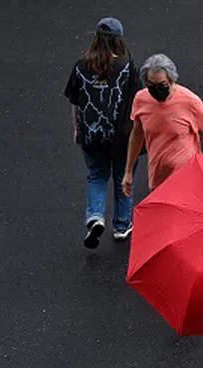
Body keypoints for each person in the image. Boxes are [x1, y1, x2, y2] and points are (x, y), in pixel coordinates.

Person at [64, 17, 141, 248]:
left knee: (96, 175)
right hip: (121, 136)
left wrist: (77, 128)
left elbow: (75, 101)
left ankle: (96, 216)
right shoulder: (127, 66)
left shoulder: (81, 66)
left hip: (91, 133)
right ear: (119, 40)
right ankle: (122, 225)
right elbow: (138, 100)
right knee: (122, 177)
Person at [121, 54, 203, 198]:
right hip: (157, 179)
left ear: (171, 80)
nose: (157, 90)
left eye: (162, 85)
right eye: (151, 86)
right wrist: (128, 172)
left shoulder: (190, 102)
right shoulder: (141, 100)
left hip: (187, 179)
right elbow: (137, 135)